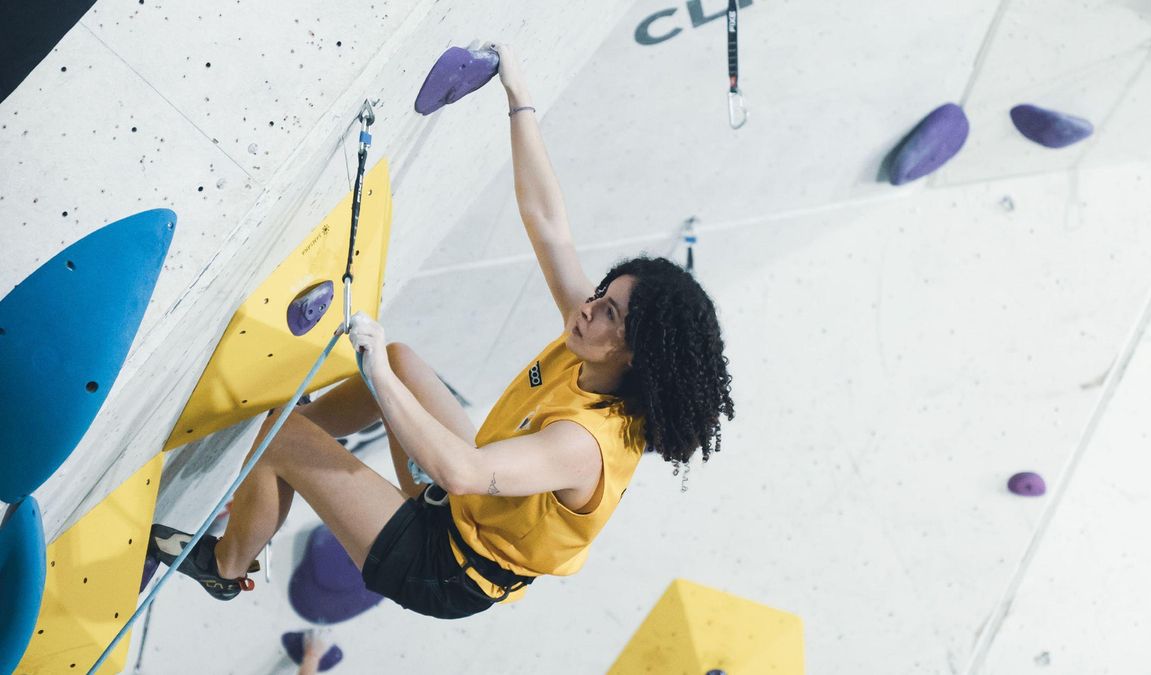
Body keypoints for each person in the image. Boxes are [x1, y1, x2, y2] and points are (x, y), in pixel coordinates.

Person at [149, 43, 734, 619]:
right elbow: (549, 226)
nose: (589, 308)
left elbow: (464, 471)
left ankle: (228, 567)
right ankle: (271, 469)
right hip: (465, 500)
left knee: (288, 432)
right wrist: (519, 99)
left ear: (637, 355)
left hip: (449, 567)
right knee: (400, 361)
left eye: (611, 313)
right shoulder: (591, 344)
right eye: (604, 294)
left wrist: (372, 369)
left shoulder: (585, 446)